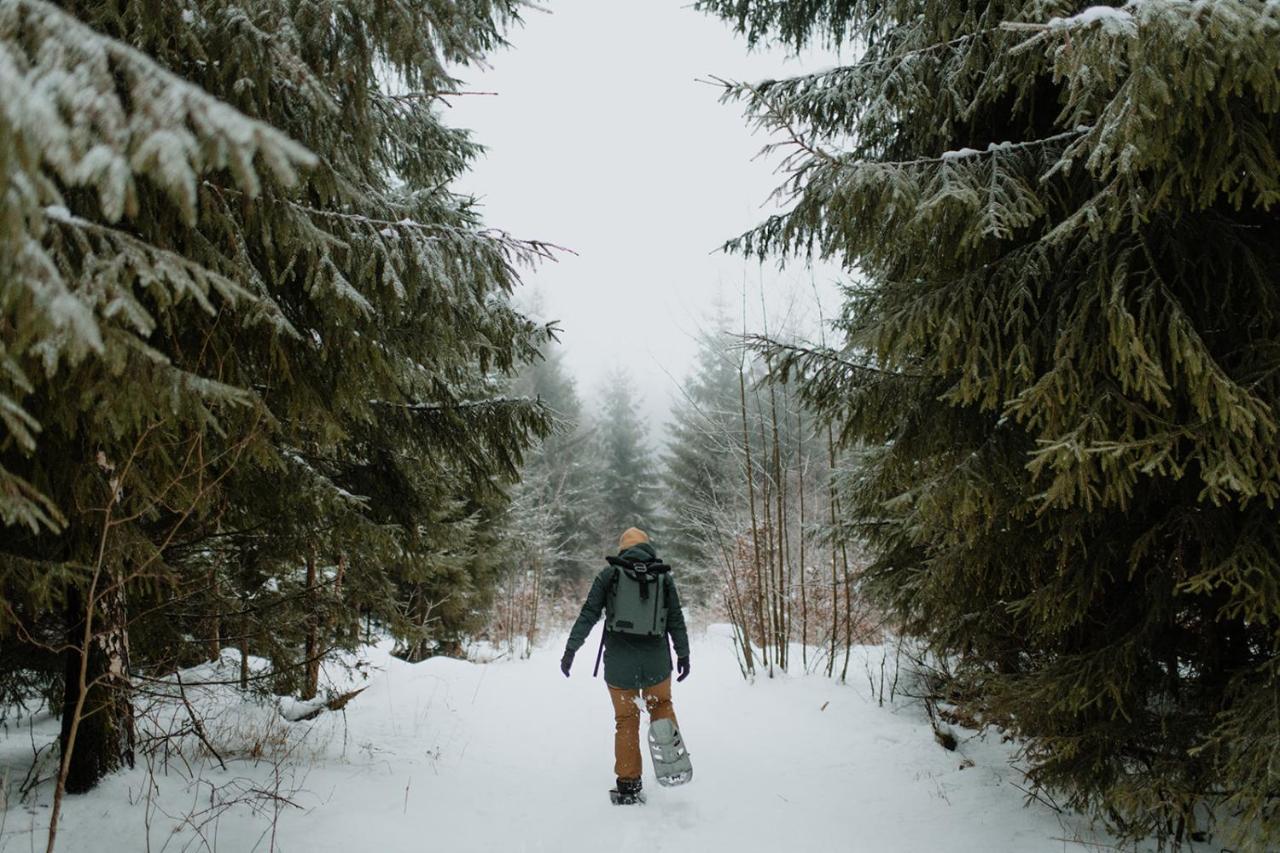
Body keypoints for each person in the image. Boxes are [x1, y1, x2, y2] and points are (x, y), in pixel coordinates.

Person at [560, 527, 691, 804]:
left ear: (623, 548)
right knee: (661, 706)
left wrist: (571, 649)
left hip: (620, 664)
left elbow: (588, 614)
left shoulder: (610, 575)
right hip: (656, 661)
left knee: (627, 719)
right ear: (648, 547)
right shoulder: (663, 577)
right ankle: (673, 763)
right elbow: (676, 620)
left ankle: (629, 785)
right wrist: (683, 655)